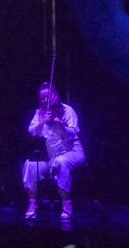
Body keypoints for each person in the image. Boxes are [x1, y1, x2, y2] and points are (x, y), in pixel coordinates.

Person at [21, 83, 85, 221]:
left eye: (48, 96)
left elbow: (72, 134)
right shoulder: (40, 113)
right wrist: (43, 121)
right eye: (42, 98)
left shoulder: (67, 110)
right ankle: (32, 203)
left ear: (55, 95)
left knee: (61, 162)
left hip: (72, 151)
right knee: (30, 164)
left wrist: (59, 124)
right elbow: (32, 132)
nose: (45, 100)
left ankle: (66, 203)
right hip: (51, 155)